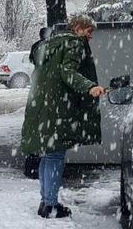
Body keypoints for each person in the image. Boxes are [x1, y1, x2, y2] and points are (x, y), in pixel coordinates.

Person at [20, 14, 104, 218]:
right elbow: (68, 73)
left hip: (41, 107)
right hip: (59, 107)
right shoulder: (73, 44)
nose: (90, 35)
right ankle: (50, 204)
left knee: (47, 155)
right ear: (76, 27)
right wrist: (90, 87)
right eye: (88, 30)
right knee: (55, 156)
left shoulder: (48, 44)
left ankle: (45, 202)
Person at [23, 26, 53, 179]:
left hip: (36, 93)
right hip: (43, 94)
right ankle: (37, 166)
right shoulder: (48, 49)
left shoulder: (36, 49)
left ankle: (31, 164)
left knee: (33, 128)